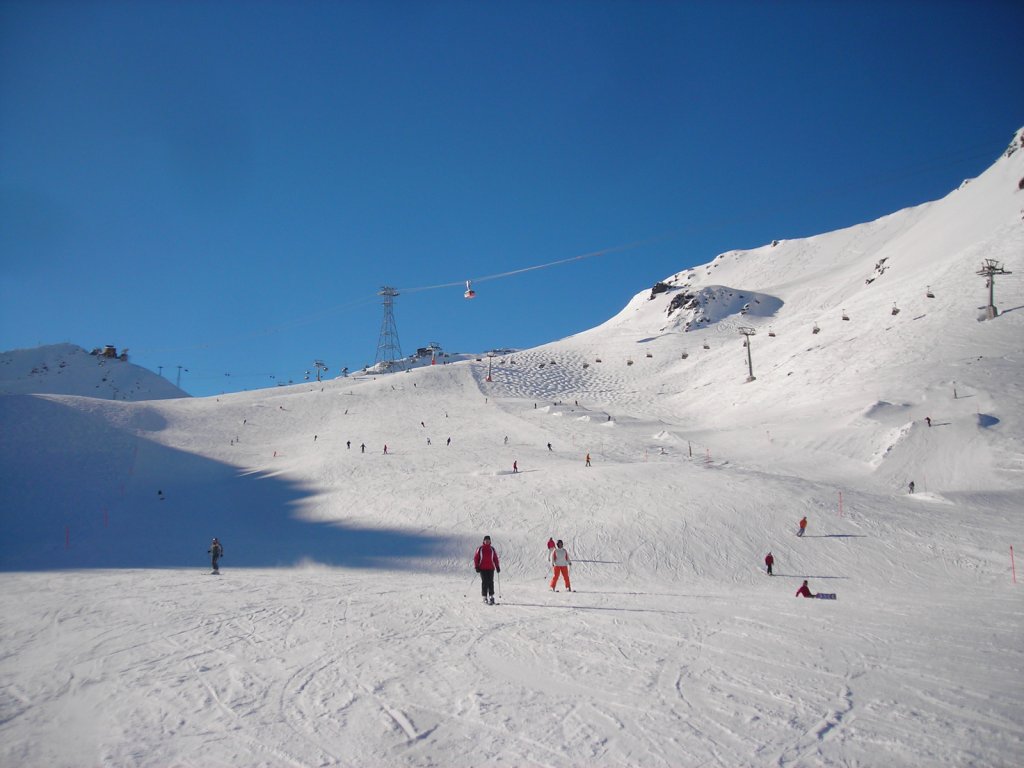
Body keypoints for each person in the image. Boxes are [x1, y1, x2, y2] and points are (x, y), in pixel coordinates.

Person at [474, 535, 500, 604]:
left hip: (491, 568)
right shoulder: (480, 548)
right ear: (483, 541)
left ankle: (491, 596)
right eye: (486, 540)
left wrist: (497, 566)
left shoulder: (492, 549)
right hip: (482, 568)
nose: (487, 541)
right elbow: (476, 558)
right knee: (485, 582)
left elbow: (495, 558)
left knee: (491, 582)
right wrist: (476, 566)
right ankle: (484, 597)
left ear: (490, 541)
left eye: (488, 540)